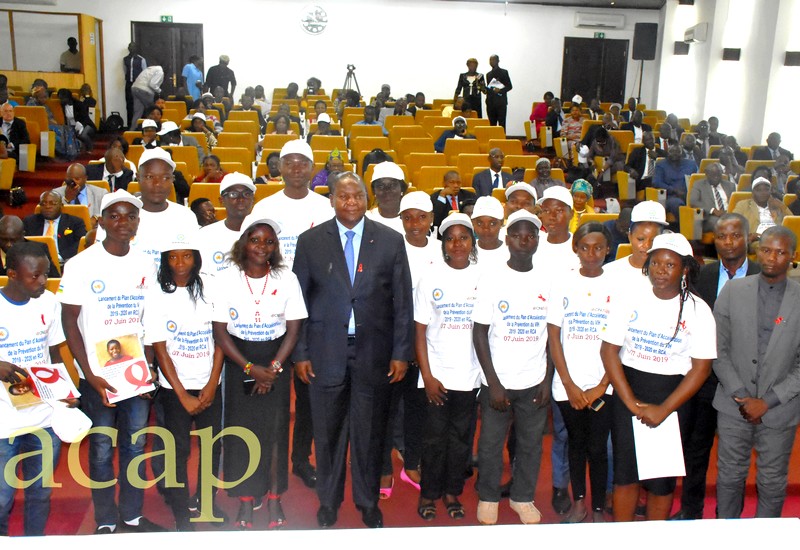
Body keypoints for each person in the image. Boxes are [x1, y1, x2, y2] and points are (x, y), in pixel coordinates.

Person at [292, 171, 414, 529]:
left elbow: (402, 303)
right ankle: (328, 502)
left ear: (367, 200)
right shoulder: (311, 241)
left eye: (357, 196)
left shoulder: (390, 241)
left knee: (370, 433)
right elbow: (297, 302)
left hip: (374, 354)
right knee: (327, 435)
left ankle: (367, 501)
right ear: (332, 200)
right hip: (324, 353)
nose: (351, 203)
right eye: (343, 197)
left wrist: (400, 352)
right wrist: (300, 353)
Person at [59, 190, 165, 534]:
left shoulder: (145, 263)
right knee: (102, 449)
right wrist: (88, 374)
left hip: (134, 374)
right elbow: (69, 322)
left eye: (130, 216)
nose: (123, 222)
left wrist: (148, 368)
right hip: (98, 376)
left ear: (138, 222)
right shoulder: (80, 265)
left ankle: (132, 515)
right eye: (115, 216)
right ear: (101, 221)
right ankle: (106, 519)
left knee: (135, 445)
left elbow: (150, 318)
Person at [600, 232, 716, 522]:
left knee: (662, 481)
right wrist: (631, 403)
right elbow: (609, 352)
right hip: (629, 392)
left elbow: (701, 368)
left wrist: (663, 409)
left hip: (673, 400)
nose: (660, 271)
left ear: (685, 269)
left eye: (669, 265)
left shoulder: (698, 311)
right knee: (626, 475)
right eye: (655, 264)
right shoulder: (629, 299)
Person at [212, 213, 307, 529]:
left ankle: (274, 497)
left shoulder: (286, 278)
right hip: (241, 359)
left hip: (276, 359)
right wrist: (251, 368)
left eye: (269, 241)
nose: (262, 246)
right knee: (241, 434)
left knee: (276, 433)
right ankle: (245, 499)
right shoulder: (226, 278)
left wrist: (274, 368)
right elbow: (220, 331)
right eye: (255, 239)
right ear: (243, 243)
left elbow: (293, 329)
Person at [250, 140, 333, 490]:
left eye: (304, 163)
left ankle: (301, 458)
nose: (297, 168)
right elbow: (254, 254)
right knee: (270, 391)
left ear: (313, 168)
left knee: (310, 389)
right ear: (280, 167)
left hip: (316, 311)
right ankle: (263, 461)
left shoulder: (325, 206)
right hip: (271, 309)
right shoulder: (265, 205)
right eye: (290, 162)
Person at [669, 213, 760, 521]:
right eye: (722, 236)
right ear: (714, 240)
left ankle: (728, 516)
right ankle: (691, 511)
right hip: (705, 381)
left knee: (736, 458)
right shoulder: (702, 277)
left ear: (748, 237)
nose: (728, 242)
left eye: (735, 235)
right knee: (696, 451)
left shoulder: (765, 275)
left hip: (748, 384)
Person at [713, 225, 800, 518]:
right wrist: (742, 396)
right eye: (766, 250)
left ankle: (766, 542)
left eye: (780, 252)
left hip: (779, 408)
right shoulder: (733, 290)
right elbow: (717, 349)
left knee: (773, 482)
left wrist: (768, 401)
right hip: (732, 404)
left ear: (793, 256)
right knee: (729, 478)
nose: (772, 257)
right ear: (757, 250)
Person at [472, 209, 550, 525]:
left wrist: (547, 380)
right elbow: (479, 333)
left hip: (534, 378)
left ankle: (522, 497)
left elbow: (552, 335)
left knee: (531, 445)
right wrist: (493, 382)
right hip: (498, 381)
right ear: (507, 240)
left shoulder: (547, 280)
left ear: (537, 241)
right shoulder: (492, 279)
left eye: (530, 235)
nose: (523, 241)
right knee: (490, 445)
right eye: (517, 235)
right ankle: (488, 497)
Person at [143, 231, 222, 530]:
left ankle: (207, 502)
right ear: (164, 261)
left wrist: (213, 383)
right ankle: (181, 513)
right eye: (173, 257)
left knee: (212, 447)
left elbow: (219, 338)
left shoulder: (211, 286)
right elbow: (160, 347)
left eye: (186, 255)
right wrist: (182, 394)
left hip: (210, 384)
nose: (180, 263)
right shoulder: (156, 292)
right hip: (173, 388)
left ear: (196, 258)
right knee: (177, 451)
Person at [0, 242, 75, 536]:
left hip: (43, 417)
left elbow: (55, 354)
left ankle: (35, 541)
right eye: (35, 276)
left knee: (40, 492)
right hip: (4, 422)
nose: (43, 281)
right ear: (12, 274)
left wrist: (66, 391)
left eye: (45, 274)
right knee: (2, 497)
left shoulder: (49, 303)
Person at [415, 213, 482, 521]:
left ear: (472, 242)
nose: (457, 244)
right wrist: (427, 376)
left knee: (460, 438)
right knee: (432, 437)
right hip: (437, 374)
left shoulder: (484, 277)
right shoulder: (431, 277)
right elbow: (419, 330)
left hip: (469, 375)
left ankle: (452, 491)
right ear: (443, 244)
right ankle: (429, 492)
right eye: (451, 238)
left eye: (463, 237)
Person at [548, 223, 614, 524]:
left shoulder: (616, 286)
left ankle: (598, 506)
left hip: (603, 385)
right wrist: (569, 384)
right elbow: (554, 337)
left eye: (598, 247)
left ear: (608, 249)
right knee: (575, 444)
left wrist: (602, 384)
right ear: (575, 248)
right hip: (568, 387)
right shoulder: (562, 283)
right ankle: (578, 502)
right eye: (585, 247)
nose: (591, 254)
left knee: (599, 448)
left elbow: (620, 343)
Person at [602, 201, 668, 296]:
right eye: (641, 239)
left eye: (654, 240)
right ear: (630, 237)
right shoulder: (610, 273)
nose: (647, 245)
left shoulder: (668, 277)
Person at [199, 172, 255, 275]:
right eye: (233, 194)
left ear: (253, 200)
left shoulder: (265, 234)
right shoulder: (204, 236)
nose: (241, 199)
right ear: (221, 201)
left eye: (247, 194)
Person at [23, 190, 87, 264]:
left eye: (52, 203)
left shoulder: (75, 222)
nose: (47, 206)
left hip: (65, 262)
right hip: (35, 262)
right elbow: (24, 243)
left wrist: (60, 257)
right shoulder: (30, 222)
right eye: (43, 203)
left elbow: (80, 243)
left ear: (61, 205)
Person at [733, 177, 791, 253]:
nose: (763, 193)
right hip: (757, 240)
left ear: (770, 192)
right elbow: (733, 223)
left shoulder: (777, 206)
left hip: (778, 237)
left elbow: (792, 221)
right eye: (759, 190)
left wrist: (781, 206)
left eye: (766, 189)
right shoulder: (743, 205)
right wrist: (747, 236)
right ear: (753, 192)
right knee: (766, 247)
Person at [653, 140, 698, 222]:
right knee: (677, 204)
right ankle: (685, 228)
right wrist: (674, 190)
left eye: (677, 152)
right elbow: (657, 182)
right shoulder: (661, 164)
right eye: (671, 151)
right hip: (670, 196)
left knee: (703, 204)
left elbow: (697, 180)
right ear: (667, 153)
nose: (674, 154)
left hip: (689, 195)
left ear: (682, 153)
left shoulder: (691, 164)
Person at [689, 162, 735, 233]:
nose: (716, 177)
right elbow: (693, 201)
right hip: (709, 217)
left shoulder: (730, 186)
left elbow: (735, 202)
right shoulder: (699, 185)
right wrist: (713, 210)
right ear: (706, 174)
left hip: (728, 214)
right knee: (718, 222)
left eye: (718, 175)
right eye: (713, 175)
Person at [366, 161, 407, 234]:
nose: (387, 190)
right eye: (381, 186)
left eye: (393, 185)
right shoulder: (365, 220)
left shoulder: (413, 221)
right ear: (373, 191)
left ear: (402, 188)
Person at [471, 196, 508, 269]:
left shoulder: (512, 253)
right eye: (479, 223)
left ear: (501, 222)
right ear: (473, 223)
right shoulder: (466, 252)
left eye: (492, 223)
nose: (486, 229)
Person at [129, 65, 164, 130]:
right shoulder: (160, 71)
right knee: (152, 111)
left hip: (135, 88)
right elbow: (152, 84)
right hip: (145, 90)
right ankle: (153, 129)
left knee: (137, 112)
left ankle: (133, 131)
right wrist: (160, 91)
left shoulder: (150, 69)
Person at [485, 55, 512, 129]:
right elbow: (490, 88)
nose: (492, 62)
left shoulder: (504, 72)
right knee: (492, 125)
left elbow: (509, 86)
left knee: (502, 124)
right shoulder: (488, 74)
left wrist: (500, 90)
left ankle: (502, 140)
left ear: (498, 61)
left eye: (494, 60)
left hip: (501, 102)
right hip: (490, 103)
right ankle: (492, 140)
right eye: (490, 60)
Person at [123, 42, 147, 127]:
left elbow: (145, 73)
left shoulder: (141, 59)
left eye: (133, 47)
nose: (131, 48)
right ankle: (130, 125)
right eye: (129, 46)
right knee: (129, 104)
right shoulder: (125, 59)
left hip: (138, 85)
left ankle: (140, 125)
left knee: (139, 105)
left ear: (136, 48)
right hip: (129, 84)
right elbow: (125, 71)